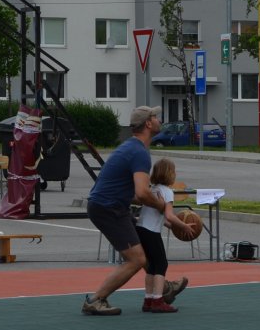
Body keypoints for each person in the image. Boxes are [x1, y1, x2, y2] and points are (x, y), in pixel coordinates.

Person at [82, 106, 187, 315]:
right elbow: (142, 193)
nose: (159, 120)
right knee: (137, 259)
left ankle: (163, 289)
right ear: (148, 123)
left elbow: (132, 193)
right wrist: (162, 206)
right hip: (108, 208)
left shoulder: (131, 147)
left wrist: (162, 215)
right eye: (155, 117)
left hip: (109, 206)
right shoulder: (139, 152)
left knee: (145, 252)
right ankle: (96, 300)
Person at [136, 158, 193, 313]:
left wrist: (174, 226)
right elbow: (169, 215)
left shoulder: (152, 189)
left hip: (141, 229)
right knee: (161, 265)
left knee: (151, 267)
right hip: (151, 232)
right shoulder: (167, 192)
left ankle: (148, 300)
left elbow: (161, 218)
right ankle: (158, 301)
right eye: (174, 171)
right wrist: (184, 226)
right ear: (169, 174)